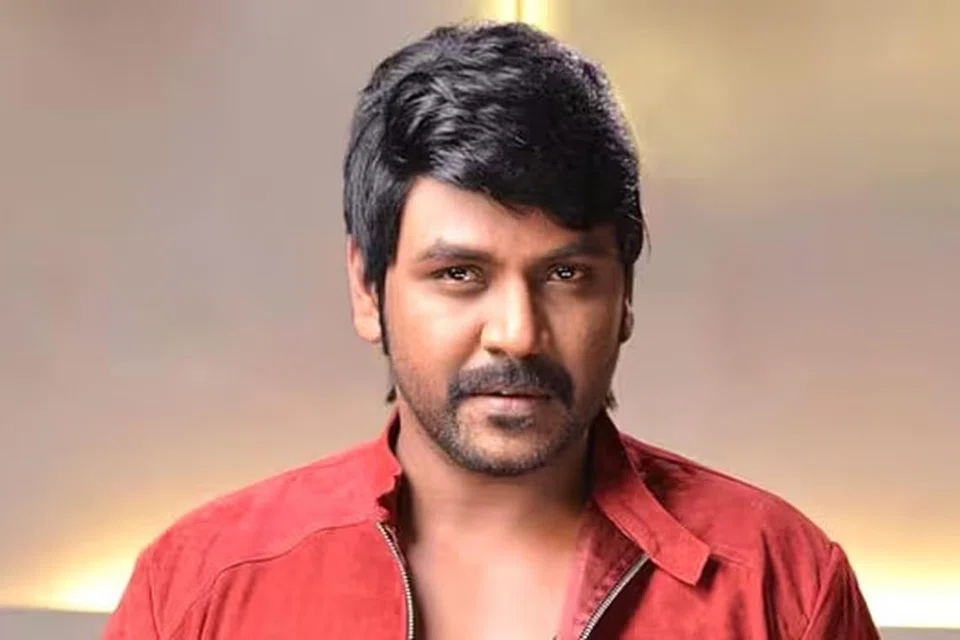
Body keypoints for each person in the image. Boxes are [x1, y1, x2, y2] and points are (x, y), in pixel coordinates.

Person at [104, 22, 880, 639]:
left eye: (566, 274)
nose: (517, 333)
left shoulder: (782, 587)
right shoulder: (200, 587)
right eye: (459, 274)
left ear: (625, 295)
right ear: (368, 289)